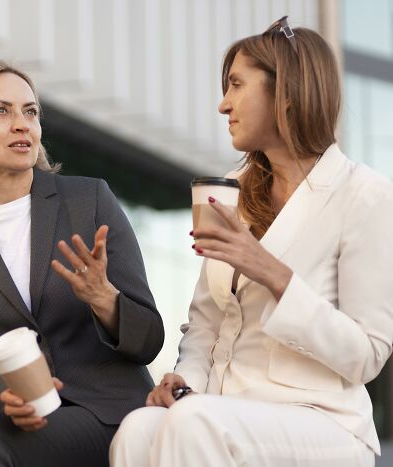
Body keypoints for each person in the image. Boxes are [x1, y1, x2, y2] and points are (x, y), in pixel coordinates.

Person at [110, 16, 393, 467]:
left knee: (193, 422)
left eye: (237, 85)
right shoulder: (230, 192)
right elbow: (205, 324)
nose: (224, 105)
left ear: (286, 91)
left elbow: (366, 357)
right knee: (139, 428)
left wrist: (270, 270)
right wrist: (182, 381)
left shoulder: (364, 194)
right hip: (222, 410)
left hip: (322, 420)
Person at [0, 60, 164, 467]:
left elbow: (149, 339)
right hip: (29, 423)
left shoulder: (90, 201)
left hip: (114, 417)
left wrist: (106, 300)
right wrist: (5, 397)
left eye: (30, 111)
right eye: (1, 110)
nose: (21, 123)